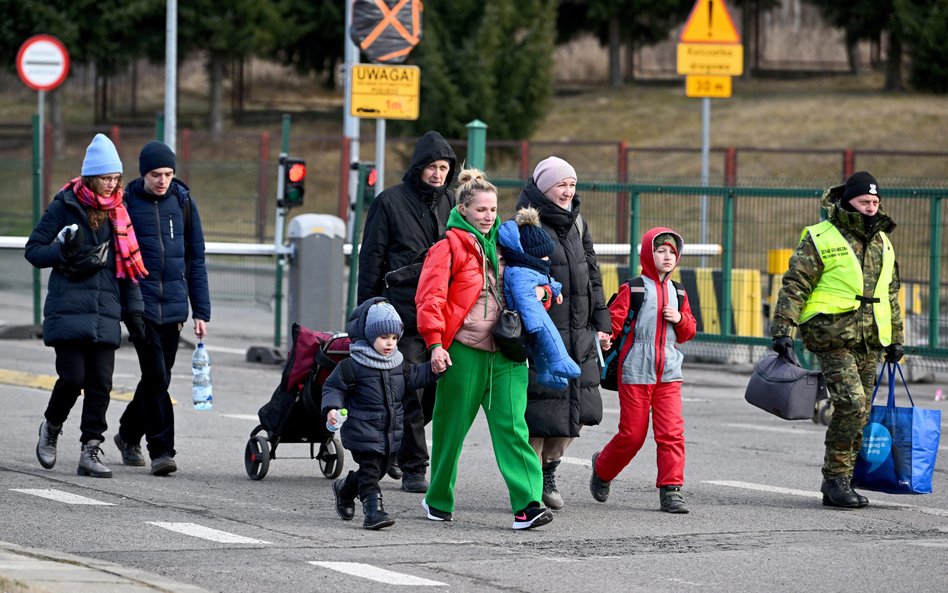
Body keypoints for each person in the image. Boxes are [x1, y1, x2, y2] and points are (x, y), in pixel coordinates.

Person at [415, 168, 554, 530]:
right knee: (451, 430)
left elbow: (541, 279)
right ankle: (438, 499)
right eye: (481, 210)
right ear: (463, 209)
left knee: (513, 429)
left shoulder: (511, 244)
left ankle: (527, 506)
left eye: (493, 209)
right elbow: (430, 299)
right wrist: (434, 345)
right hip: (463, 352)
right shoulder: (447, 248)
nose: (489, 216)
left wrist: (546, 294)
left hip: (509, 354)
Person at [771, 171, 902, 509]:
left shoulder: (883, 241)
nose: (871, 208)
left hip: (871, 337)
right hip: (831, 334)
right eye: (864, 202)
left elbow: (890, 292)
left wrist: (896, 338)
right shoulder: (821, 236)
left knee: (863, 411)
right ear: (849, 202)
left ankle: (844, 478)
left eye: (875, 202)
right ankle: (835, 480)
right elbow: (795, 283)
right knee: (853, 405)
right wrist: (783, 330)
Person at [26, 133, 146, 478]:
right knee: (72, 377)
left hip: (106, 310)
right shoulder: (64, 206)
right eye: (106, 178)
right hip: (68, 309)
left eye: (116, 178)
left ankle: (90, 450)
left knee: (101, 384)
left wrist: (134, 313)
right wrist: (61, 247)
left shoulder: (120, 214)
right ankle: (51, 426)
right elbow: (34, 251)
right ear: (91, 177)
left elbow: (127, 270)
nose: (112, 185)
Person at [357, 130, 457, 493]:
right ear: (418, 167)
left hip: (446, 314)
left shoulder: (453, 204)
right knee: (412, 391)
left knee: (434, 394)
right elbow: (370, 260)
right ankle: (415, 465)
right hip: (401, 315)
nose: (437, 173)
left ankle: (400, 446)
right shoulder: (389, 203)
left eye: (443, 167)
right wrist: (364, 314)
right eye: (431, 166)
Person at [515, 156, 612, 510]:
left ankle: (549, 466)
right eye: (561, 185)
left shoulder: (578, 223)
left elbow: (593, 274)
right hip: (544, 332)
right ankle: (533, 479)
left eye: (572, 185)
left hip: (580, 332)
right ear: (544, 188)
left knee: (580, 411)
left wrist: (602, 323)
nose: (568, 192)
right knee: (541, 412)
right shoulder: (526, 225)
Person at [112, 141, 211, 477]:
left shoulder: (183, 203)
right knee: (156, 375)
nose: (163, 180)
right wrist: (125, 304)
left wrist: (201, 311)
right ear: (144, 174)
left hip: (174, 307)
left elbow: (196, 260)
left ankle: (127, 433)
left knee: (159, 377)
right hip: (140, 304)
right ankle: (161, 450)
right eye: (156, 174)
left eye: (168, 173)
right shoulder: (126, 204)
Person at [589, 229, 697, 513]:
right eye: (660, 251)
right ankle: (602, 469)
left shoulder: (679, 292)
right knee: (632, 436)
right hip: (635, 372)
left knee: (672, 434)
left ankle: (671, 490)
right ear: (648, 254)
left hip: (669, 374)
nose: (667, 257)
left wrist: (681, 319)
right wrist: (605, 336)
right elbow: (612, 322)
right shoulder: (634, 288)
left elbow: (688, 332)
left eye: (672, 252)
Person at [322, 298, 440, 530]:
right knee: (370, 471)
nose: (390, 343)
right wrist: (332, 409)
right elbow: (333, 387)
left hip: (390, 432)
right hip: (362, 429)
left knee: (379, 470)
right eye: (383, 337)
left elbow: (415, 377)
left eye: (394, 338)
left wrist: (435, 369)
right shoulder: (353, 365)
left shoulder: (398, 363)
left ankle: (345, 488)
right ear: (368, 336)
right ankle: (373, 511)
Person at [496, 206, 580, 387]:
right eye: (543, 256)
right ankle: (561, 360)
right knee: (549, 334)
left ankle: (547, 374)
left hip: (530, 318)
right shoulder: (521, 273)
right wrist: (534, 324)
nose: (547, 260)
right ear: (529, 255)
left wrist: (554, 290)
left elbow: (546, 280)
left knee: (538, 349)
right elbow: (525, 299)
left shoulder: (531, 269)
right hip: (530, 319)